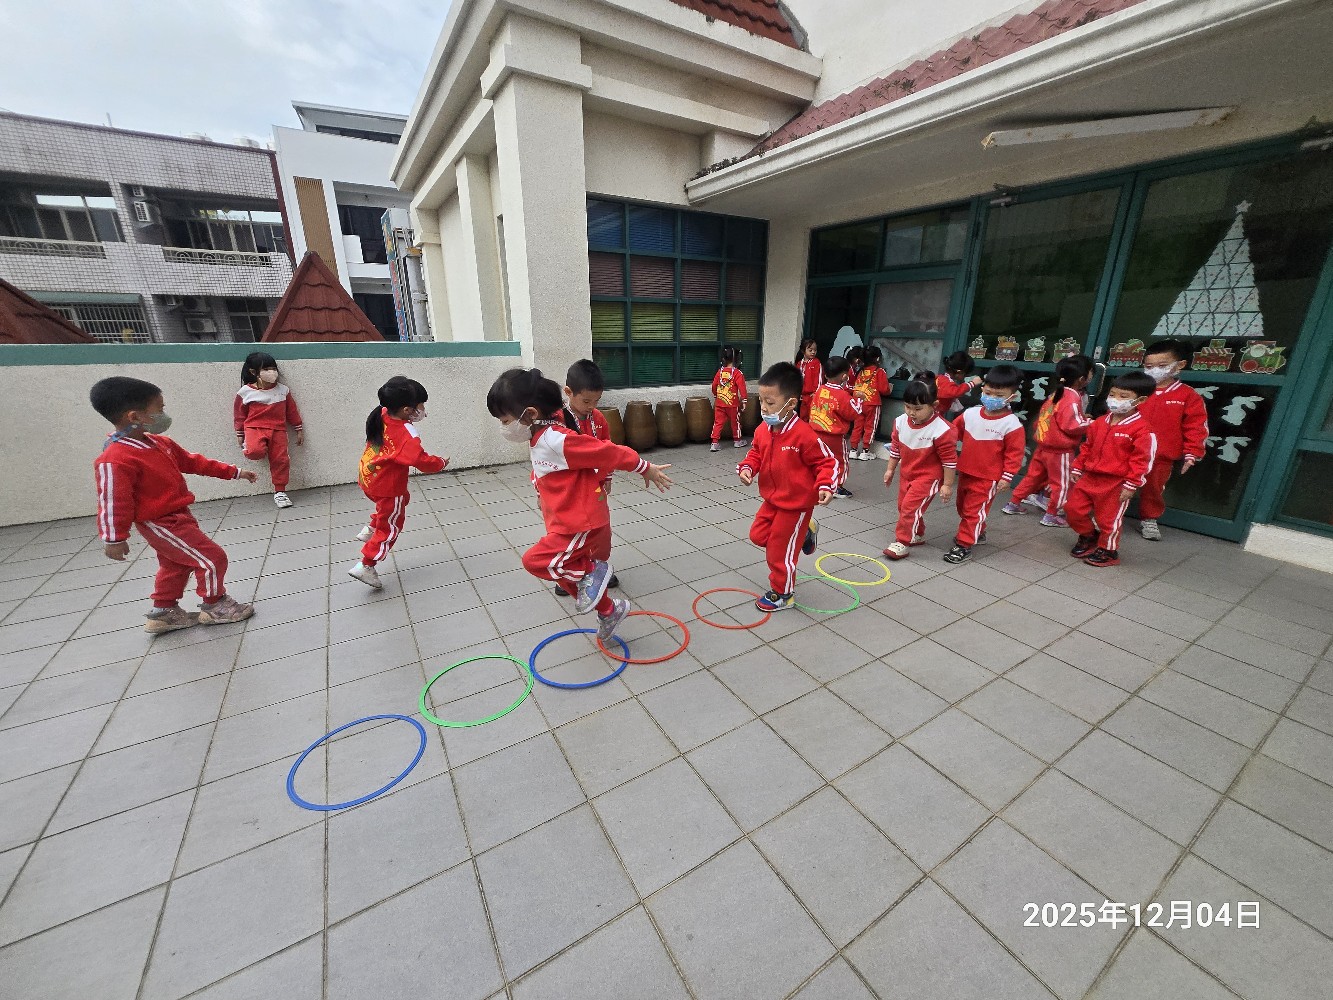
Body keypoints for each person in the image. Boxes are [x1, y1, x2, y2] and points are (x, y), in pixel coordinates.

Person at [487, 368, 672, 642]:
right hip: (564, 521)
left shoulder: (555, 440)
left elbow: (606, 451)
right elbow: (546, 471)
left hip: (579, 522)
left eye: (505, 421)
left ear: (530, 414)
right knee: (566, 575)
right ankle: (608, 610)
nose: (504, 428)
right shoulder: (540, 437)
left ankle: (593, 570)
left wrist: (644, 467)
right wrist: (539, 489)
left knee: (535, 561)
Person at [91, 376, 258, 634]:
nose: (164, 415)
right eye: (159, 409)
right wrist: (114, 538)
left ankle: (164, 612)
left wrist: (234, 472)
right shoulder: (115, 459)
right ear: (135, 416)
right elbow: (112, 500)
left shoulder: (160, 444)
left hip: (179, 516)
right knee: (212, 558)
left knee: (175, 564)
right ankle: (215, 605)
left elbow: (194, 462)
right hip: (160, 522)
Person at [737, 362, 837, 611]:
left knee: (779, 552)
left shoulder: (804, 435)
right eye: (761, 401)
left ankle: (783, 594)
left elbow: (827, 461)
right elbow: (755, 453)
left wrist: (826, 484)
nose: (763, 407)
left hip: (796, 504)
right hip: (772, 499)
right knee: (757, 536)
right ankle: (805, 531)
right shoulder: (763, 429)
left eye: (770, 403)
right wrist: (748, 468)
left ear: (791, 404)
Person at [348, 377, 448, 589]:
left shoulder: (383, 413)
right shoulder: (407, 433)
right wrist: (440, 463)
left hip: (369, 477)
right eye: (421, 405)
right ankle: (366, 565)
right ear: (406, 410)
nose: (423, 410)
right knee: (392, 526)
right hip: (387, 486)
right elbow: (420, 460)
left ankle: (371, 528)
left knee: (398, 502)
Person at [1066, 372, 1158, 567]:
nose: (1115, 399)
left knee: (1108, 519)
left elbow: (1142, 460)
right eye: (1112, 394)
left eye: (1123, 396)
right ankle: (1088, 536)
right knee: (1073, 509)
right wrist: (1077, 467)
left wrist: (1132, 484)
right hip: (1089, 477)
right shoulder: (1100, 422)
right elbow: (1087, 447)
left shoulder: (1142, 430)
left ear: (1140, 400)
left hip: (1116, 483)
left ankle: (1108, 551)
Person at [945, 364, 1026, 564]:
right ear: (982, 389)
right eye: (988, 393)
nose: (992, 398)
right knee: (963, 507)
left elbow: (1014, 454)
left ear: (1011, 397)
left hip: (988, 478)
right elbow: (952, 432)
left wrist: (1007, 476)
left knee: (973, 511)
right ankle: (978, 531)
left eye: (999, 395)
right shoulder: (970, 414)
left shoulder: (1012, 425)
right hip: (966, 471)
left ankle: (964, 545)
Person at [552, 358, 620, 596]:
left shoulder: (598, 419)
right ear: (568, 392)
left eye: (597, 400)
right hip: (567, 491)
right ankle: (567, 576)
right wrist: (541, 491)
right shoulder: (556, 421)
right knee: (569, 534)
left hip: (594, 487)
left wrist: (607, 477)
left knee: (600, 531)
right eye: (586, 401)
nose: (592, 406)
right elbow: (543, 459)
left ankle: (598, 569)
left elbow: (608, 450)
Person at [1002, 355, 1093, 527]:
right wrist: (1090, 423)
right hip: (1060, 450)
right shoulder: (1073, 398)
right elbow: (1071, 425)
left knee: (1032, 477)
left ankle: (1013, 502)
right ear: (1082, 379)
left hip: (1043, 445)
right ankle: (1052, 514)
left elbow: (1042, 419)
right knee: (1062, 484)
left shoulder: (1056, 394)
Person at [1135, 339, 1208, 541]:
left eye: (1162, 365)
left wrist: (1192, 452)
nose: (1154, 370)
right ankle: (1107, 513)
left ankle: (1149, 518)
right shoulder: (1138, 389)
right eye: (1149, 366)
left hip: (1162, 455)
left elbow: (1196, 426)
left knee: (1153, 488)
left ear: (1180, 365)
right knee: (1116, 483)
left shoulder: (1188, 395)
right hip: (1129, 450)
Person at [882, 378, 957, 560]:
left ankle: (902, 542)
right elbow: (895, 447)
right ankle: (917, 533)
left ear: (934, 406)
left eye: (917, 409)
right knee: (903, 506)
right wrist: (890, 470)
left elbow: (949, 461)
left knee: (909, 508)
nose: (911, 412)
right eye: (907, 407)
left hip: (928, 477)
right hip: (907, 473)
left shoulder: (942, 430)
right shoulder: (900, 422)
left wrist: (947, 485)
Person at [234, 351, 304, 508]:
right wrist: (240, 432)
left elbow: (291, 411)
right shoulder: (245, 392)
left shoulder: (283, 390)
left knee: (281, 460)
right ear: (254, 372)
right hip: (254, 428)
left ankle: (280, 491)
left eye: (273, 368)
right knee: (255, 451)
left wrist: (298, 428)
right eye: (266, 369)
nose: (271, 372)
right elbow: (239, 415)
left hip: (278, 430)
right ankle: (251, 446)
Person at [806, 356, 862, 498]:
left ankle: (817, 481)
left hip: (815, 432)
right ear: (844, 376)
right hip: (835, 436)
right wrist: (859, 399)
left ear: (825, 375)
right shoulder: (843, 395)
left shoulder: (820, 390)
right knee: (839, 460)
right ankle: (837, 487)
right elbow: (854, 413)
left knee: (819, 458)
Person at [850, 345, 890, 460]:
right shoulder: (879, 371)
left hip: (859, 403)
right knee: (870, 427)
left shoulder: (861, 371)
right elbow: (884, 389)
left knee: (857, 427)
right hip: (872, 403)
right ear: (877, 358)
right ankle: (865, 451)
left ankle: (853, 450)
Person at [710, 347, 748, 451]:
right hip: (733, 404)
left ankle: (714, 443)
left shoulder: (719, 372)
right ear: (736, 359)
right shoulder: (737, 373)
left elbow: (714, 385)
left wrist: (716, 395)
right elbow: (742, 388)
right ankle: (737, 441)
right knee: (735, 422)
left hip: (719, 402)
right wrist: (744, 401)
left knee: (718, 422)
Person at [935, 351, 983, 419]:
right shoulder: (944, 381)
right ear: (959, 372)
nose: (965, 377)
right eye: (965, 374)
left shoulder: (942, 378)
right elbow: (954, 392)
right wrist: (972, 384)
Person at [795, 339, 822, 421]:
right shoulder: (799, 364)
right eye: (810, 350)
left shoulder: (816, 363)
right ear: (803, 351)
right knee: (803, 416)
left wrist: (816, 392)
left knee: (813, 416)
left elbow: (819, 379)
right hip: (802, 396)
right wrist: (797, 392)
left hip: (812, 395)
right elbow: (797, 380)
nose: (813, 352)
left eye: (815, 350)